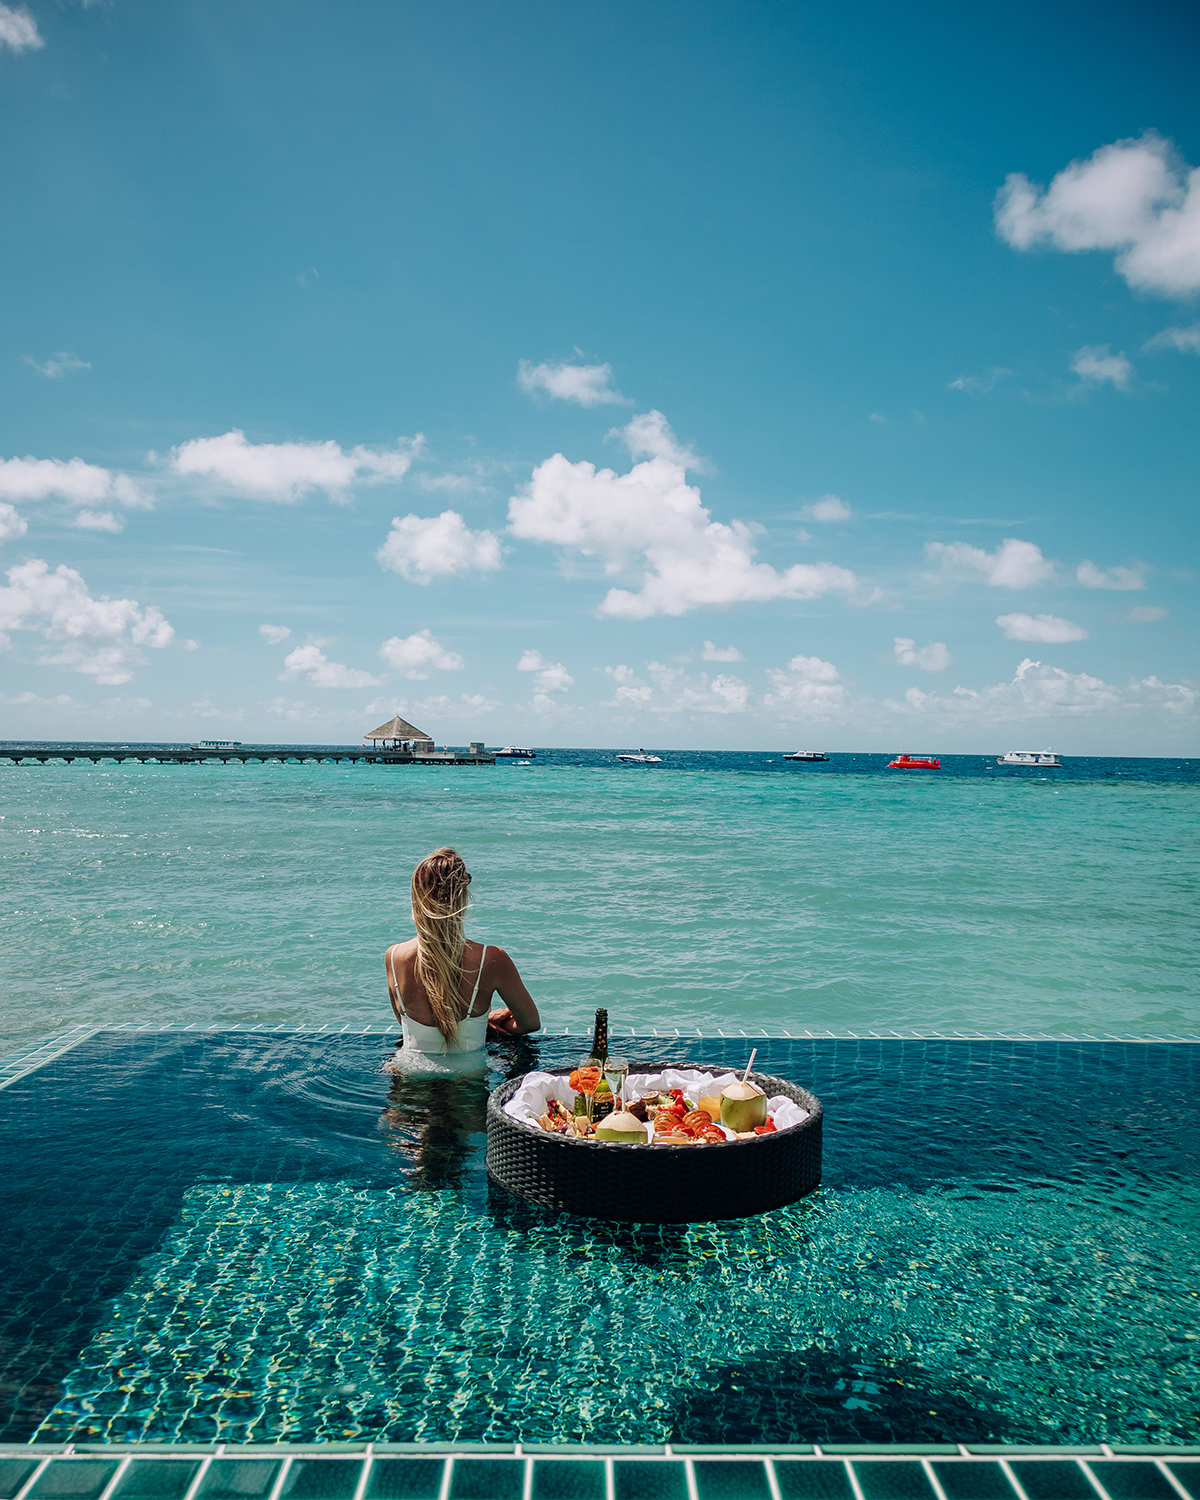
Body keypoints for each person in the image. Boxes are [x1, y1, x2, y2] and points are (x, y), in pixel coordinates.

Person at [385, 846, 541, 1067]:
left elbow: (405, 1022)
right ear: (462, 896)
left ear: (416, 896)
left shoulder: (394, 956)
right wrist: (483, 1023)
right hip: (468, 1076)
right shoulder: (491, 958)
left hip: (407, 1071)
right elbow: (530, 1023)